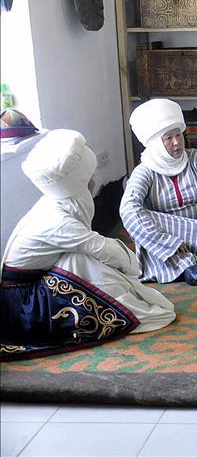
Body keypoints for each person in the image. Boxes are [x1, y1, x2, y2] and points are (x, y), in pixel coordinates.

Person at [1, 130, 175, 360]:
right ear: (80, 180)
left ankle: (128, 296)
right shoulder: (57, 221)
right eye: (90, 175)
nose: (94, 180)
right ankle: (130, 311)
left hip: (30, 286)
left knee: (83, 259)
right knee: (84, 262)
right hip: (24, 306)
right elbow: (101, 248)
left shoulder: (57, 200)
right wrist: (135, 266)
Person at [120, 99, 197, 285]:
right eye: (168, 138)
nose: (177, 142)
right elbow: (128, 209)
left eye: (178, 134)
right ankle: (186, 262)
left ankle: (181, 263)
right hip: (165, 234)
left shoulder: (195, 157)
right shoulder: (145, 171)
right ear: (155, 143)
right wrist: (170, 242)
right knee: (138, 215)